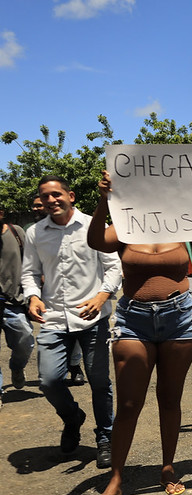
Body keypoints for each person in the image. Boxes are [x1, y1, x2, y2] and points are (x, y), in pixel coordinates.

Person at [87, 171, 192, 495]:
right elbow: (97, 241)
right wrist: (102, 200)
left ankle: (168, 467)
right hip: (134, 320)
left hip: (179, 318)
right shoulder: (126, 226)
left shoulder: (185, 225)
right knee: (129, 403)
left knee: (169, 398)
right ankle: (116, 477)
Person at [21, 175, 122, 468]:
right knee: (49, 380)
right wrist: (33, 296)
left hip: (93, 317)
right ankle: (72, 417)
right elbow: (29, 272)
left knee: (100, 381)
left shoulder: (94, 225)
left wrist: (103, 297)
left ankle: (105, 436)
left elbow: (113, 268)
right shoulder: (35, 233)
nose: (51, 200)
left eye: (56, 194)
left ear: (71, 196)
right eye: (45, 196)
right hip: (53, 317)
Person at [25, 195, 85, 385]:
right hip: (44, 295)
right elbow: (28, 264)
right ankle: (57, 371)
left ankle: (74, 366)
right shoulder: (30, 231)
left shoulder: (76, 227)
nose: (37, 209)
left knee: (76, 332)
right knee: (54, 333)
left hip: (74, 291)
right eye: (34, 206)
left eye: (39, 206)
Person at [0, 207, 35, 407]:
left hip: (14, 302)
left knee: (25, 340)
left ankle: (17, 367)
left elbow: (30, 264)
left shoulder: (16, 232)